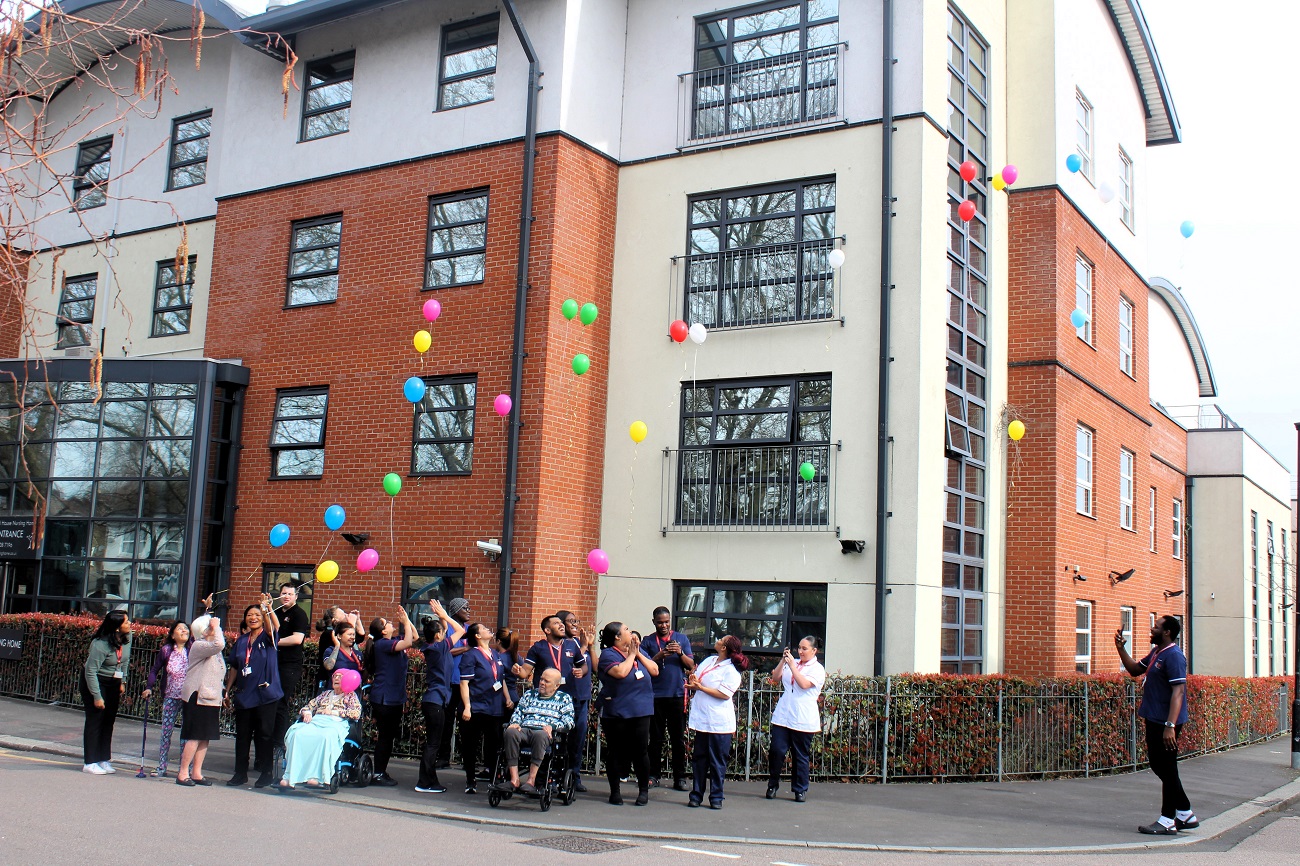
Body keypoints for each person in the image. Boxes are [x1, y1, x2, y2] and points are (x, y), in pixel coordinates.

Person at [1117, 615, 1198, 835]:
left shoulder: (1174, 656)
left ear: (1167, 632)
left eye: (1156, 627)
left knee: (1167, 768)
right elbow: (1135, 670)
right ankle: (1184, 813)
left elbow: (1178, 692)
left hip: (1166, 722)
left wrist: (1170, 725)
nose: (1151, 629)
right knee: (1161, 766)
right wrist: (1120, 648)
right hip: (1155, 718)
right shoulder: (1157, 652)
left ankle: (1167, 820)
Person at [597, 621, 659, 805]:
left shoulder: (638, 652)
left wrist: (638, 653)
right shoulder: (608, 654)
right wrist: (632, 655)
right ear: (617, 637)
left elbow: (654, 670)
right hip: (617, 711)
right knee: (616, 752)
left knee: (641, 751)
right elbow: (621, 672)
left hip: (641, 710)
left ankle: (643, 791)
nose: (630, 632)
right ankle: (615, 792)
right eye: (626, 630)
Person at [225, 595, 283, 788]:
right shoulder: (241, 641)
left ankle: (266, 773)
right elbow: (234, 665)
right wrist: (227, 689)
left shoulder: (269, 637)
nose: (253, 618)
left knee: (265, 734)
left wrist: (266, 609)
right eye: (249, 615)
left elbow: (270, 627)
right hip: (245, 694)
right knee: (242, 735)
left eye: (256, 614)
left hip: (266, 695)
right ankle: (240, 773)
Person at [686, 635, 749, 809]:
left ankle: (716, 797)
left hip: (719, 722)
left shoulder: (731, 671)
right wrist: (694, 681)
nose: (717, 639)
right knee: (699, 759)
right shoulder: (709, 660)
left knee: (717, 761)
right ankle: (696, 795)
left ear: (724, 648)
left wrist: (701, 688)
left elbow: (724, 694)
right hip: (702, 719)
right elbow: (697, 677)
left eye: (721, 639)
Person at [279, 670, 363, 789]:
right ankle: (289, 776)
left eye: (340, 677)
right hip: (317, 721)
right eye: (335, 676)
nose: (336, 679)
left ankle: (316, 776)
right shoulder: (325, 694)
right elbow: (308, 706)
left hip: (335, 723)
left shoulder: (350, 696)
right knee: (296, 734)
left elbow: (356, 713)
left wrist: (335, 712)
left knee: (324, 737)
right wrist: (307, 712)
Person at [495, 667, 574, 794]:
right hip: (525, 729)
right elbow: (518, 712)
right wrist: (515, 723)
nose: (542, 682)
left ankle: (531, 780)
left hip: (544, 734)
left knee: (540, 735)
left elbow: (569, 721)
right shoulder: (529, 695)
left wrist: (553, 726)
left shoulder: (564, 699)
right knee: (510, 732)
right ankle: (514, 780)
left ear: (556, 685)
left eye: (546, 681)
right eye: (541, 679)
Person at [765, 636, 825, 803]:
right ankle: (772, 784)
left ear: (814, 651)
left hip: (803, 716)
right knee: (776, 750)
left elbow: (804, 684)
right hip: (783, 715)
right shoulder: (793, 662)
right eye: (799, 647)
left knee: (800, 755)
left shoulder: (817, 669)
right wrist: (783, 661)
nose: (800, 651)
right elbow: (775, 678)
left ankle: (800, 789)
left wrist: (792, 666)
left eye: (804, 648)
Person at [416, 600, 465, 794]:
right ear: (438, 636)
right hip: (435, 701)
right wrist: (445, 615)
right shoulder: (439, 648)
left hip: (435, 700)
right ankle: (426, 781)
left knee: (432, 743)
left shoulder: (434, 648)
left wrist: (442, 618)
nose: (445, 633)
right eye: (443, 633)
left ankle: (426, 779)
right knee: (433, 744)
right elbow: (460, 630)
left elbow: (449, 629)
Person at [458, 621, 513, 794]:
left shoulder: (495, 654)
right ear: (477, 636)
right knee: (471, 744)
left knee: (494, 744)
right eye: (484, 629)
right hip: (476, 707)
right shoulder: (471, 655)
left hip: (494, 707)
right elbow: (464, 683)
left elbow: (500, 679)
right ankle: (470, 780)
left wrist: (508, 698)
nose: (489, 630)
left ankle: (493, 778)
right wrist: (467, 706)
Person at [364, 607, 416, 786]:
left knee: (388, 736)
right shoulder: (383, 644)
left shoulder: (392, 640)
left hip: (394, 697)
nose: (391, 623)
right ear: (383, 631)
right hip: (385, 698)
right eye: (387, 623)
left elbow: (414, 638)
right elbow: (408, 642)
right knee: (385, 736)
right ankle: (378, 773)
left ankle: (381, 771)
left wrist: (407, 620)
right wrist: (405, 622)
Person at [645, 606, 695, 790]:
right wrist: (659, 655)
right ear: (654, 622)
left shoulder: (681, 638)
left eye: (666, 622)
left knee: (677, 740)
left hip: (676, 695)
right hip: (656, 695)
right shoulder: (648, 641)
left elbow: (691, 665)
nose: (664, 625)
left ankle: (679, 778)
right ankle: (653, 775)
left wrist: (680, 653)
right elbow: (643, 664)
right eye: (660, 622)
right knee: (655, 739)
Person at [81, 610, 133, 775]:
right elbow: (90, 672)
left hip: (113, 681)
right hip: (96, 681)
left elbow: (125, 660)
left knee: (108, 721)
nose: (130, 624)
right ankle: (90, 762)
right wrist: (97, 696)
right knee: (95, 720)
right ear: (117, 627)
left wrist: (122, 681)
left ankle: (103, 758)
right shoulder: (100, 644)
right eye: (126, 622)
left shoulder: (127, 638)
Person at [176, 612, 225, 786]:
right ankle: (183, 772)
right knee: (195, 735)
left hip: (211, 697)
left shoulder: (211, 647)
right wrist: (215, 626)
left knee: (205, 736)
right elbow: (219, 644)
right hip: (197, 696)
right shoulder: (199, 645)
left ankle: (196, 772)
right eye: (210, 628)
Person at [142, 619, 191, 777]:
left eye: (186, 629)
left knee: (186, 735)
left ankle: (184, 769)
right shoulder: (167, 650)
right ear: (172, 634)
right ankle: (162, 767)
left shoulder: (193, 649)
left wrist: (207, 610)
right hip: (170, 696)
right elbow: (154, 670)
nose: (184, 631)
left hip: (188, 698)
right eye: (180, 629)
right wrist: (149, 687)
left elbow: (203, 630)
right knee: (166, 733)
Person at [272, 583, 310, 753]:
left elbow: (297, 639)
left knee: (281, 702)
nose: (286, 596)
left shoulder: (299, 614)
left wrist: (274, 643)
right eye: (283, 593)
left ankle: (280, 743)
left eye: (290, 593)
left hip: (290, 665)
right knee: (270, 702)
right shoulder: (277, 613)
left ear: (296, 596)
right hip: (274, 663)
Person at [558, 609, 594, 792]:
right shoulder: (562, 644)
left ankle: (575, 776)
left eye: (576, 620)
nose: (575, 624)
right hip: (566, 698)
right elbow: (568, 664)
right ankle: (559, 774)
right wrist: (584, 647)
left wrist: (590, 646)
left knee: (578, 739)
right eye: (571, 621)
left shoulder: (580, 643)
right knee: (562, 739)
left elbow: (591, 667)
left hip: (582, 698)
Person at [438, 597, 473, 767]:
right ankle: (444, 757)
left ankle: (467, 760)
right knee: (447, 720)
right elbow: (447, 650)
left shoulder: (470, 630)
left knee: (467, 722)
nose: (468, 610)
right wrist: (467, 648)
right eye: (465, 607)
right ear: (455, 610)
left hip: (467, 682)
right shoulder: (450, 628)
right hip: (452, 681)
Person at [316, 606, 363, 685]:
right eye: (343, 615)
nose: (346, 615)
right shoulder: (329, 634)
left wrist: (358, 620)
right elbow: (347, 642)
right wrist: (351, 624)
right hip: (330, 681)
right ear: (335, 621)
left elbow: (360, 638)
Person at [495, 626, 523, 704]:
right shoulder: (516, 656)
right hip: (514, 694)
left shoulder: (497, 657)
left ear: (498, 641)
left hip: (501, 697)